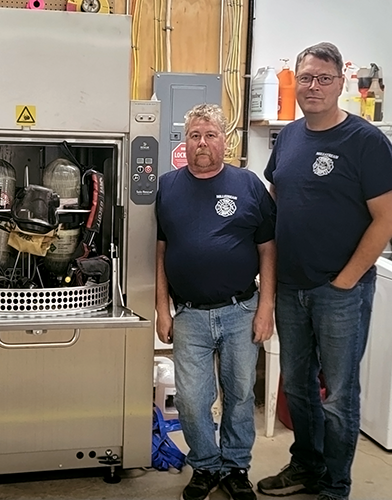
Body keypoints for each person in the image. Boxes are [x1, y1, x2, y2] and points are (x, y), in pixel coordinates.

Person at [257, 42, 392, 500]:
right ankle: (306, 468)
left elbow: (386, 219)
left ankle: (336, 485)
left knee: (338, 396)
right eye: (306, 78)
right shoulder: (290, 137)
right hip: (292, 287)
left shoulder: (367, 141)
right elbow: (276, 201)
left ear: (341, 85)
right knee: (297, 388)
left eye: (324, 78)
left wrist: (346, 280)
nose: (313, 87)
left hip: (340, 292)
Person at [155, 103, 276, 500]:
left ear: (225, 140)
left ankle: (236, 466)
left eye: (210, 135)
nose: (202, 143)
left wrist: (265, 308)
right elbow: (160, 250)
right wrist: (162, 307)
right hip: (189, 313)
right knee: (191, 399)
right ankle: (206, 465)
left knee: (240, 394)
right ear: (184, 142)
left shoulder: (248, 185)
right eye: (194, 135)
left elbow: (267, 250)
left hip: (242, 309)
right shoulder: (168, 187)